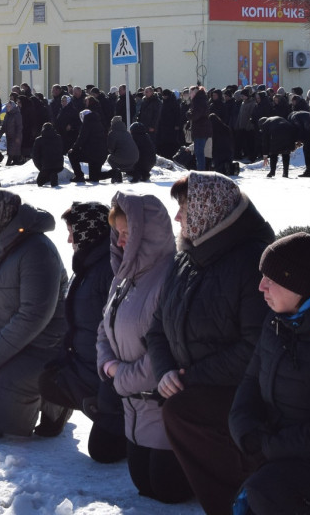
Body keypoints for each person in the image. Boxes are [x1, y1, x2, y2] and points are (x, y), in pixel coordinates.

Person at [145, 171, 274, 515]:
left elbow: (255, 346)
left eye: (184, 208)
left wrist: (188, 378)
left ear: (208, 210)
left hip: (242, 394)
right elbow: (156, 329)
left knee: (181, 412)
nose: (177, 218)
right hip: (187, 387)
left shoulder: (252, 261)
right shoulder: (186, 258)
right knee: (156, 482)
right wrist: (165, 371)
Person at [228, 233, 310, 515]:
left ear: (299, 285)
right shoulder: (277, 318)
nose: (261, 286)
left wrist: (270, 445)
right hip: (276, 443)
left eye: (271, 279)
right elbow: (251, 380)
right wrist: (244, 428)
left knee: (265, 489)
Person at [97, 192, 193, 504]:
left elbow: (166, 350)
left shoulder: (172, 276)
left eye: (128, 232)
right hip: (132, 413)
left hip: (163, 411)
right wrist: (108, 366)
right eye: (118, 233)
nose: (120, 241)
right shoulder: (122, 277)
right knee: (144, 486)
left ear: (147, 232)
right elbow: (103, 328)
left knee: (166, 491)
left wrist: (119, 378)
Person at [0, 189, 68, 438]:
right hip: (11, 345)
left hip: (43, 348)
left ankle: (57, 400)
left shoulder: (37, 250)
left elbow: (34, 315)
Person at [36, 202, 125, 460]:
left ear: (87, 231)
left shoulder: (107, 269)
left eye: (72, 232)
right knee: (49, 378)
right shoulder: (87, 265)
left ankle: (116, 417)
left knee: (103, 452)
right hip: (88, 364)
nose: (68, 240)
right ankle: (95, 408)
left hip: (108, 375)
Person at [69, 109, 108, 183]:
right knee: (94, 177)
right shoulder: (99, 123)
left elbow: (81, 138)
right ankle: (114, 173)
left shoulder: (87, 123)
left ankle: (79, 176)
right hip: (101, 154)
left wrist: (73, 148)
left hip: (92, 154)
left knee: (72, 154)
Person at [31, 120, 65, 187]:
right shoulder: (58, 137)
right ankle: (52, 175)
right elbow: (61, 150)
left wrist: (40, 167)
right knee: (53, 171)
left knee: (39, 182)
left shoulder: (39, 140)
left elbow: (35, 155)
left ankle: (50, 175)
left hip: (46, 165)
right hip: (58, 164)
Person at [106, 115, 138, 183]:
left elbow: (110, 149)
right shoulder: (127, 133)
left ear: (113, 123)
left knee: (110, 158)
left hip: (124, 158)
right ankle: (131, 172)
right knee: (123, 157)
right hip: (135, 158)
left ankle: (117, 174)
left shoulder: (113, 133)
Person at [189, 88, 212, 171]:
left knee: (199, 152)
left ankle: (201, 171)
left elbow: (195, 115)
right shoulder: (202, 100)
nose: (190, 95)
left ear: (194, 93)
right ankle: (201, 170)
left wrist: (188, 114)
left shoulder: (198, 101)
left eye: (191, 93)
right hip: (202, 129)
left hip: (200, 130)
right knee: (199, 152)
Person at [2, 99, 23, 165]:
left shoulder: (17, 114)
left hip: (15, 137)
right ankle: (15, 162)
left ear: (13, 107)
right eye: (7, 106)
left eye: (9, 106)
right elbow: (4, 126)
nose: (7, 108)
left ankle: (9, 163)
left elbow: (19, 126)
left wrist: (17, 137)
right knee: (12, 153)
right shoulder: (7, 115)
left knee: (11, 153)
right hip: (9, 136)